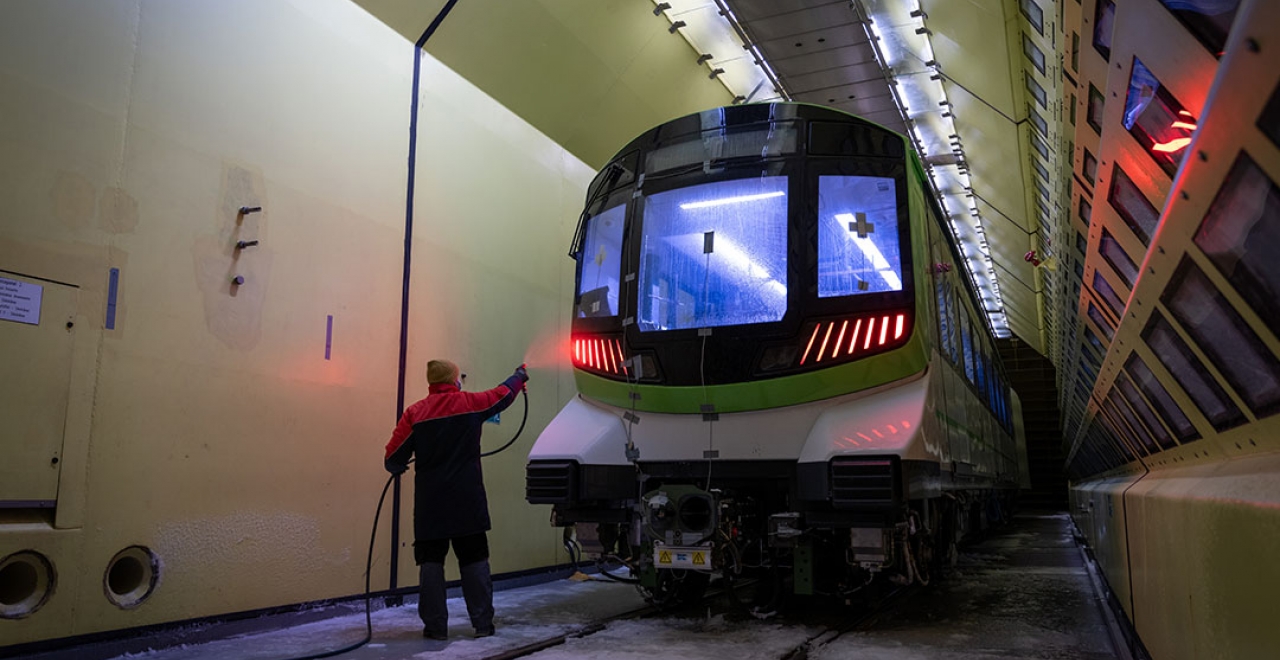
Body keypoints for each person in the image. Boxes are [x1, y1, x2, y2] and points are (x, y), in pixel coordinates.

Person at [384, 359, 528, 640]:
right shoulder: (471, 403)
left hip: (430, 505)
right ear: (454, 380)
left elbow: (392, 458)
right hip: (467, 500)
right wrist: (519, 376)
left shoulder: (415, 413)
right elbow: (503, 394)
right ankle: (482, 625)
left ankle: (435, 628)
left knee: (431, 562)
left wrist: (398, 466)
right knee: (474, 559)